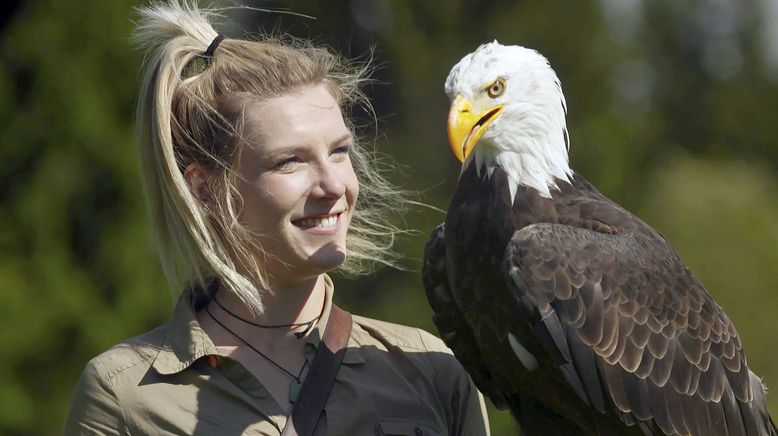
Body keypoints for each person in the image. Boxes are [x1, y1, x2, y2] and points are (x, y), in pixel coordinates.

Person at [63, 1, 489, 435]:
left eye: (339, 152)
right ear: (205, 189)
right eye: (290, 161)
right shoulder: (126, 396)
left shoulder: (431, 371)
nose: (334, 186)